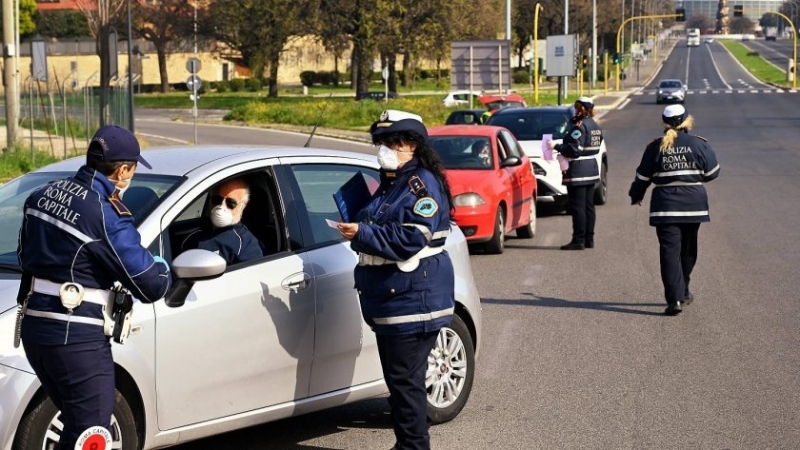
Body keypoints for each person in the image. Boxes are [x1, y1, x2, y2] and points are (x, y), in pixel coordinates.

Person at [16, 125, 172, 450]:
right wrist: (163, 268)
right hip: (77, 337)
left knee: (76, 425)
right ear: (122, 169)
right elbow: (149, 283)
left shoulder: (40, 195)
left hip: (34, 328)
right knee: (93, 436)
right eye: (131, 170)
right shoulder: (105, 214)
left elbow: (24, 255)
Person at [337, 110, 455, 450]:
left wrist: (361, 232)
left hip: (412, 300)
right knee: (401, 383)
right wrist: (359, 225)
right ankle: (408, 444)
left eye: (392, 143)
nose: (384, 149)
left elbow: (410, 240)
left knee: (406, 385)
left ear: (412, 146)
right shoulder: (392, 182)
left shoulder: (420, 185)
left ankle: (414, 446)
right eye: (381, 142)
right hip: (392, 301)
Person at [628, 105, 720, 316]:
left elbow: (642, 178)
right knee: (688, 249)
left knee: (669, 253)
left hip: (665, 208)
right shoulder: (699, 144)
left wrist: (636, 195)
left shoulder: (654, 147)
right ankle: (684, 289)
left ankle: (674, 299)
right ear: (687, 121)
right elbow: (713, 173)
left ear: (664, 123)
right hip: (693, 206)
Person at [549, 96, 604, 250]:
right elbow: (597, 145)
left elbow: (574, 150)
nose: (574, 109)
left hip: (579, 171)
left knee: (578, 207)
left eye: (576, 107)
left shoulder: (579, 127)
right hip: (592, 169)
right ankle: (589, 239)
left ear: (580, 108)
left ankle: (578, 240)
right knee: (588, 206)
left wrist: (557, 146)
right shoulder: (595, 125)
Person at [180, 178, 264, 265]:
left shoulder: (246, 246)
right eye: (217, 199)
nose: (221, 206)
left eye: (230, 203)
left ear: (243, 205)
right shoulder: (193, 237)